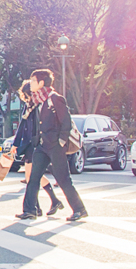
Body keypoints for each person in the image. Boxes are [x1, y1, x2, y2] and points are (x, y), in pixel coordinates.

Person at [18, 69, 87, 221]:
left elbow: (66, 121)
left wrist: (61, 141)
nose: (31, 84)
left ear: (41, 83)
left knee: (63, 179)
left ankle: (79, 209)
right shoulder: (37, 100)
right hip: (42, 146)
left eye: (33, 81)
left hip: (55, 145)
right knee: (33, 178)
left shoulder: (55, 99)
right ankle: (29, 210)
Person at [10, 81, 65, 217]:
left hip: (36, 145)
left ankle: (36, 208)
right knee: (34, 176)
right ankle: (46, 203)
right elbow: (22, 126)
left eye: (26, 95)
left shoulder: (39, 106)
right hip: (30, 145)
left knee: (32, 176)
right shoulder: (29, 106)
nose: (26, 97)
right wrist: (16, 143)